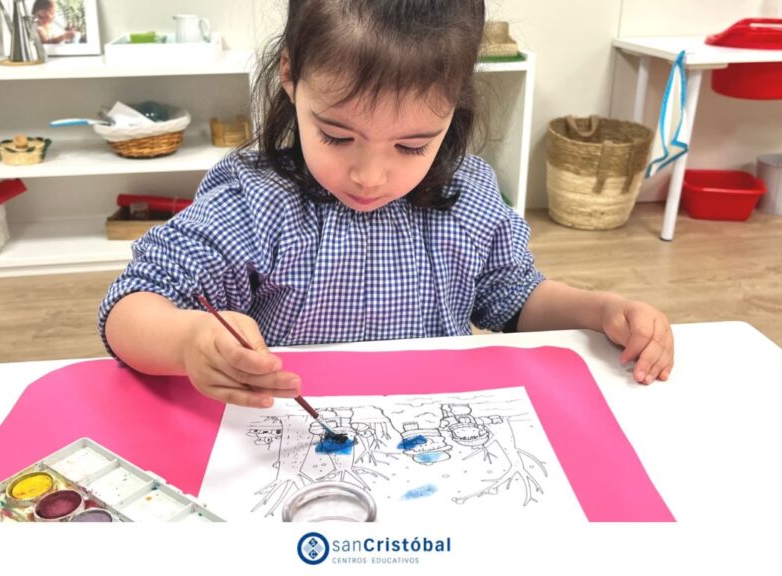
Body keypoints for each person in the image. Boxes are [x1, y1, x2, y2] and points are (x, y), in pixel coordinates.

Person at [100, 0, 674, 409]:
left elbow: (514, 299)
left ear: (454, 105)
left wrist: (599, 310)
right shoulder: (254, 202)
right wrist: (189, 341)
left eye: (411, 146)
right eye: (337, 136)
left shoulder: (468, 194)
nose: (370, 177)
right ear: (290, 76)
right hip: (290, 444)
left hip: (432, 435)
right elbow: (129, 308)